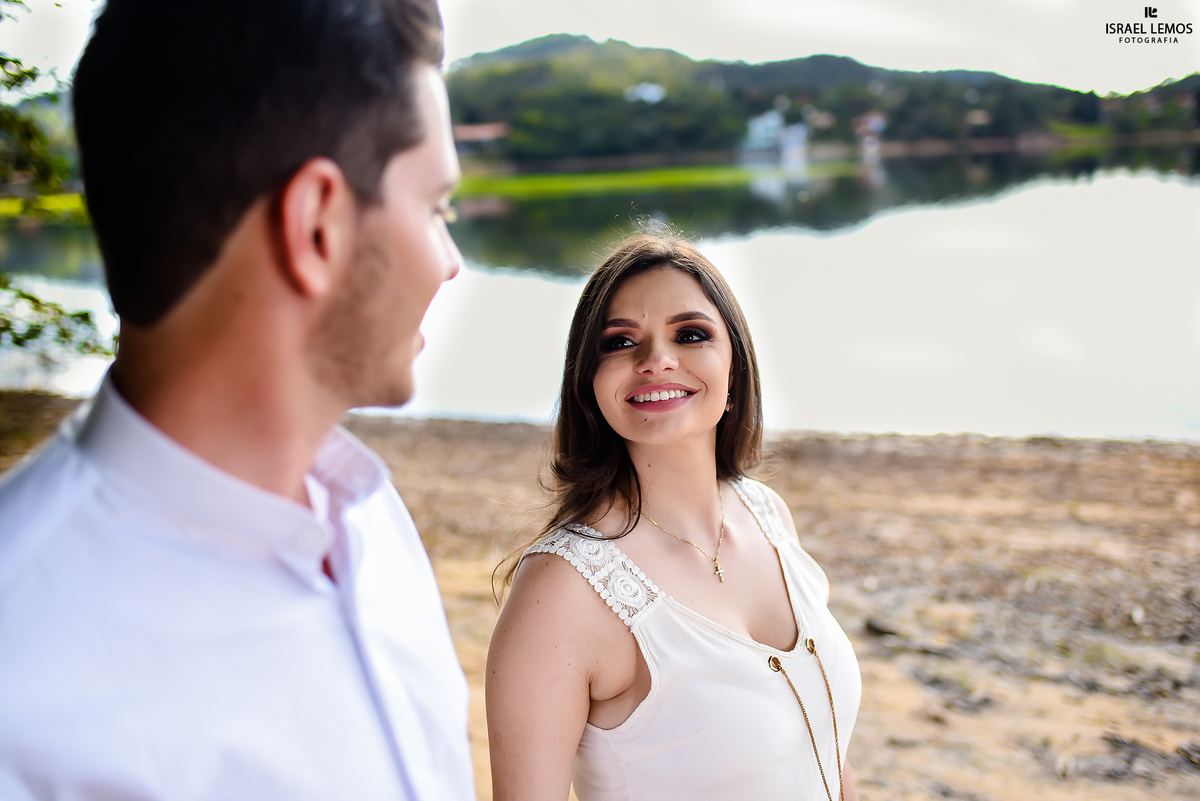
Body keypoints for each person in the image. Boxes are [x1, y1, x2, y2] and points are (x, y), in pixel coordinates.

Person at [0, 1, 474, 799]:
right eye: (436, 208)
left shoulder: (372, 523)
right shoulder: (24, 692)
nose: (450, 262)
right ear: (316, 224)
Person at [486, 233, 863, 801]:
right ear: (590, 385)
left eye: (690, 334)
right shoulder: (563, 590)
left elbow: (826, 754)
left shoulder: (768, 517)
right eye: (620, 342)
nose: (656, 359)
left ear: (734, 369)